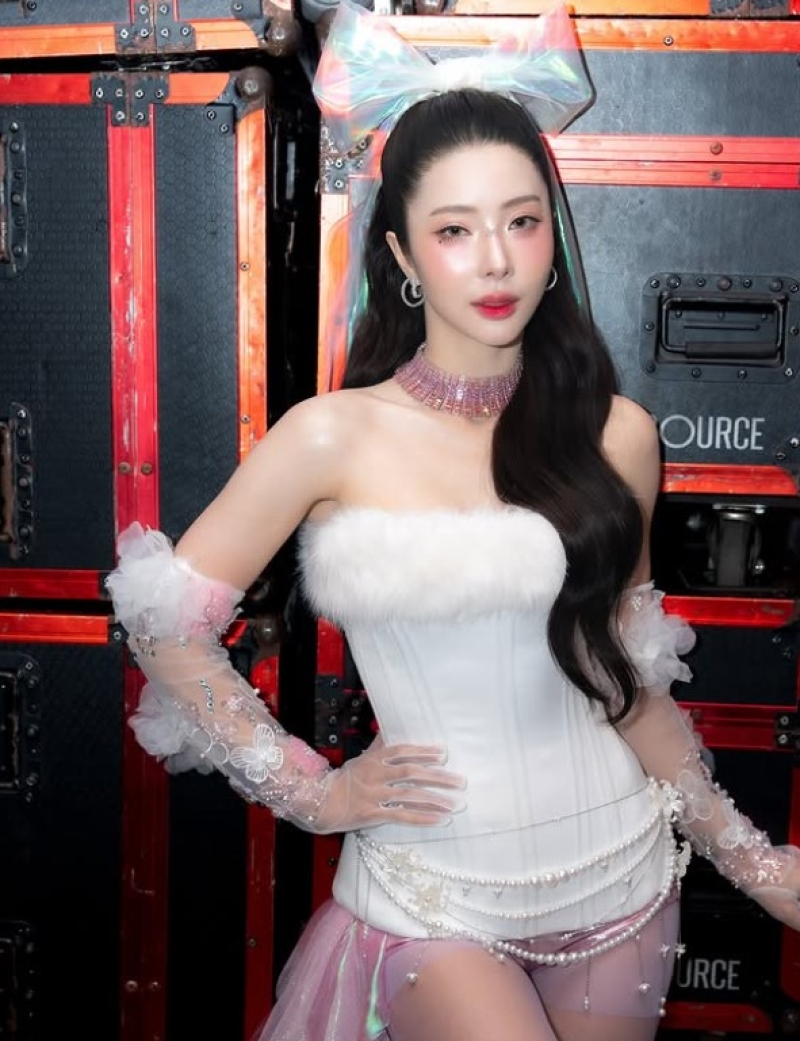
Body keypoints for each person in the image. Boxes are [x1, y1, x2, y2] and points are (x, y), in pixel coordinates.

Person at [106, 4, 800, 1040]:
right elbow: (161, 621)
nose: (495, 262)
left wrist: (753, 862)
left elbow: (628, 680)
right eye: (454, 230)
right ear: (401, 251)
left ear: (553, 238)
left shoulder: (618, 435)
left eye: (521, 222)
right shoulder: (328, 436)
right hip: (434, 899)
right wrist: (311, 792)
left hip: (623, 882)